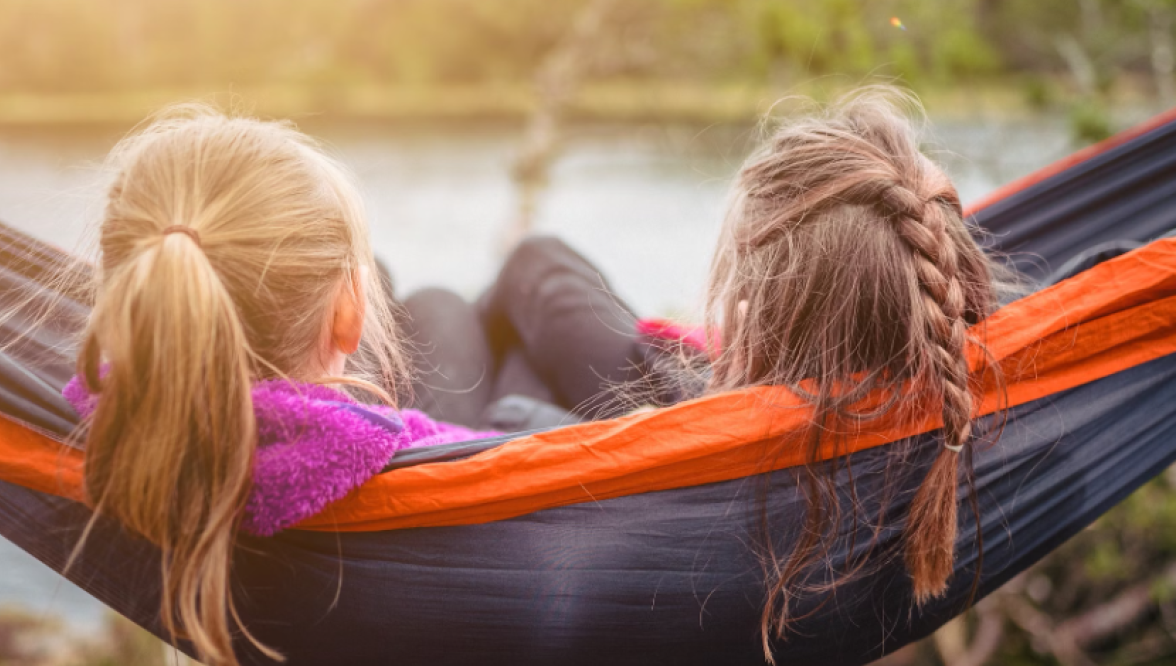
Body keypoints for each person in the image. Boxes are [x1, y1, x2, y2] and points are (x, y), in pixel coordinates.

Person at [403, 87, 1011, 650]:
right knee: (527, 279)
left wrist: (534, 412)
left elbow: (519, 429)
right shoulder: (985, 401)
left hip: (661, 445)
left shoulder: (702, 502)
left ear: (750, 312)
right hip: (710, 422)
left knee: (446, 307)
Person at [60, 105, 495, 666]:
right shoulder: (423, 462)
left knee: (411, 288)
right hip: (469, 454)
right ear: (350, 314)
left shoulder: (109, 416)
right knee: (468, 295)